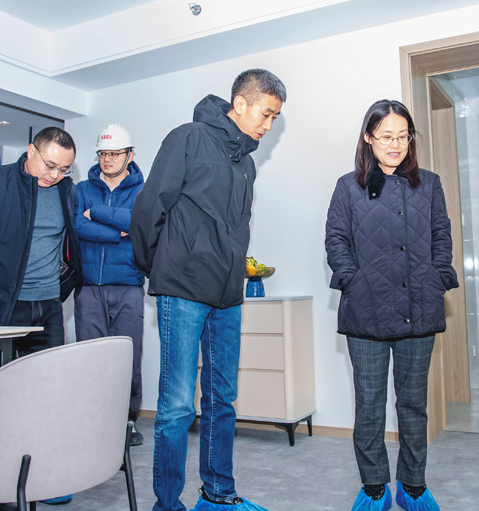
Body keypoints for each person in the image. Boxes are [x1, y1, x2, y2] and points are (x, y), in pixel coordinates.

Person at [129, 68, 286, 511]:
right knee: (177, 406)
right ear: (240, 103)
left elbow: (235, 230)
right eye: (265, 113)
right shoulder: (188, 138)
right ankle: (167, 504)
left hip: (227, 295)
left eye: (275, 118)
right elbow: (148, 210)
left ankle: (218, 495)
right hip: (183, 288)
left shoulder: (247, 163)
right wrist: (161, 267)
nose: (268, 124)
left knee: (222, 400)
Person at [325, 100, 458, 511]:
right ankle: (374, 488)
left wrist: (438, 276)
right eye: (386, 136)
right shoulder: (348, 186)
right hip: (365, 312)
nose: (396, 144)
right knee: (369, 406)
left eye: (403, 136)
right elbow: (336, 240)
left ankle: (412, 486)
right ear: (369, 138)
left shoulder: (429, 184)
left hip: (419, 309)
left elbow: (441, 236)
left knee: (413, 406)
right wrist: (352, 280)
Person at [0, 127, 82, 386]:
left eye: (64, 169)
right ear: (31, 151)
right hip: (1, 304)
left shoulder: (66, 190)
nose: (54, 175)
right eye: (50, 166)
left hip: (49, 305)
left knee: (46, 386)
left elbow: (66, 243)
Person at [75, 124, 146, 446]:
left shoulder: (144, 191)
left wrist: (98, 213)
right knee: (90, 359)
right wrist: (115, 232)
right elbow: (76, 225)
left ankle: (127, 421)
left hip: (128, 285)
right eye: (103, 153)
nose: (108, 159)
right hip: (89, 287)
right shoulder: (80, 189)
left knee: (127, 357)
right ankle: (94, 421)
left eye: (115, 153)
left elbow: (139, 224)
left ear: (129, 155)